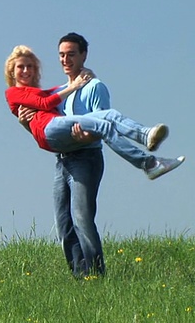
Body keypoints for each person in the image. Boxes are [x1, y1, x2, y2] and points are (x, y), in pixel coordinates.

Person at [11, 33, 183, 277]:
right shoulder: (58, 93)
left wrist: (86, 137)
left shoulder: (94, 86)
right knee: (64, 225)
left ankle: (96, 274)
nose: (65, 59)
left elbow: (104, 127)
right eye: (61, 55)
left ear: (83, 55)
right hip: (62, 161)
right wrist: (23, 122)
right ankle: (81, 276)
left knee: (82, 219)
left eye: (71, 54)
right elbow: (43, 128)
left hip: (86, 158)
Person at [4, 44, 185, 180]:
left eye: (30, 66)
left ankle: (145, 135)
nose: (26, 70)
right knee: (104, 126)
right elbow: (45, 102)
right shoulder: (12, 92)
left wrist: (84, 76)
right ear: (12, 71)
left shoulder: (38, 91)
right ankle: (148, 164)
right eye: (21, 67)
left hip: (54, 128)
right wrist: (74, 86)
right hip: (49, 129)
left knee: (110, 115)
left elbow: (59, 90)